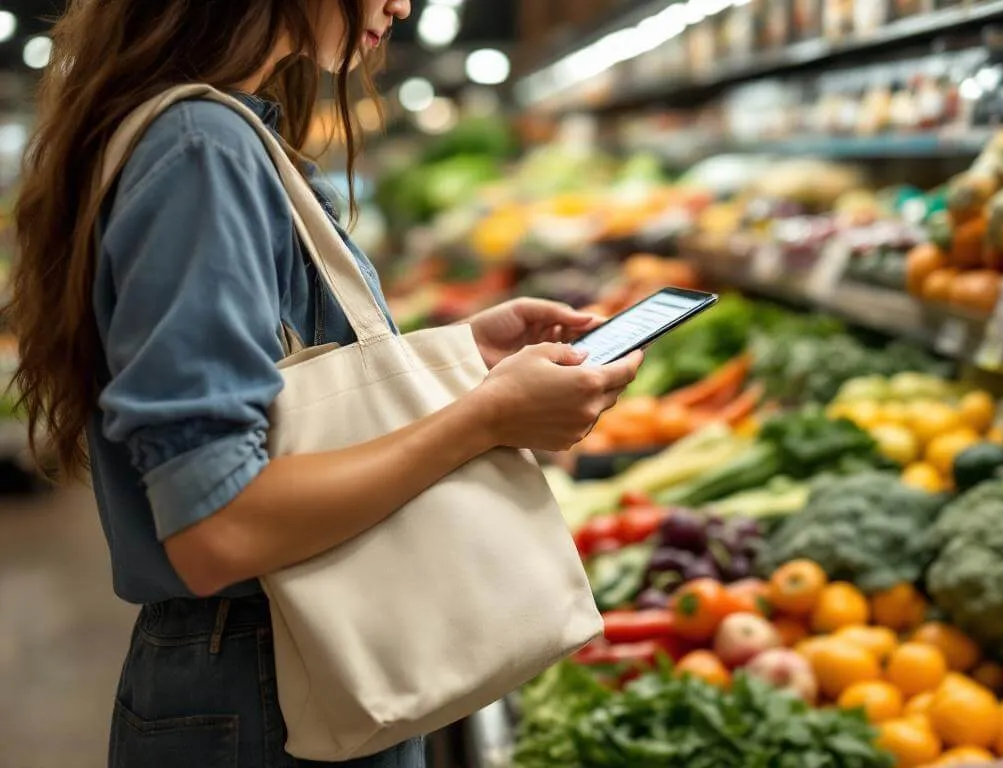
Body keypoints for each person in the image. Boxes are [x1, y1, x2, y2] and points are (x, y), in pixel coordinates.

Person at [6, 1, 642, 766]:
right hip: (268, 680)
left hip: (281, 663)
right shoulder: (203, 148)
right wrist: (486, 420)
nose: (403, 4)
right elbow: (218, 528)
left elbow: (283, 390)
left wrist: (462, 354)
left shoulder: (206, 137)